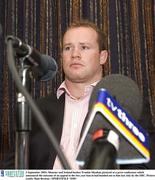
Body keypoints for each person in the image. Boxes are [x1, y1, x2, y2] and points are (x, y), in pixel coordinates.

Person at [1, 20, 155, 169]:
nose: (75, 54)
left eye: (84, 47)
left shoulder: (127, 103)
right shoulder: (36, 109)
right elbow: (11, 169)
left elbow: (145, 166)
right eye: (68, 48)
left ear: (103, 57)